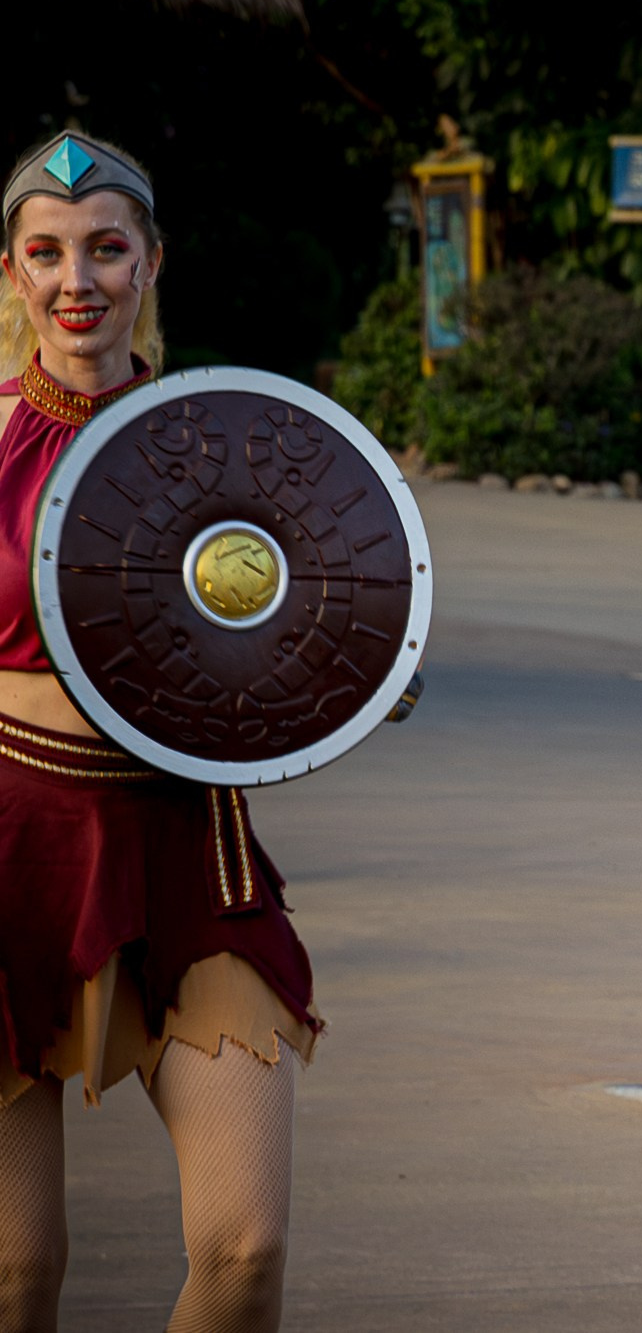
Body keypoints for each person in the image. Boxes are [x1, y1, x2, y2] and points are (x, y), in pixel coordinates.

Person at [0, 134, 324, 1333]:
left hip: (192, 851)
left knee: (245, 1247)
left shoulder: (229, 442)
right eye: (47, 252)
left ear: (150, 264)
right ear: (13, 271)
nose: (76, 277)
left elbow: (325, 613)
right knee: (14, 1276)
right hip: (9, 844)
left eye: (106, 248)